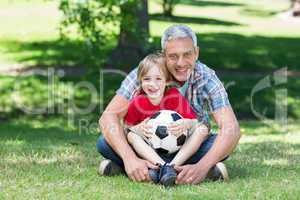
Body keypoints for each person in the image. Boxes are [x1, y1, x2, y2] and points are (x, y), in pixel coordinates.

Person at [97, 24, 240, 185]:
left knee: (217, 143)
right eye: (173, 56)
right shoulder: (147, 74)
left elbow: (231, 128)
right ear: (164, 55)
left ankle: (145, 171)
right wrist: (129, 157)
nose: (181, 63)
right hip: (146, 149)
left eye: (187, 54)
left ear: (196, 53)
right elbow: (108, 117)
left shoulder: (206, 78)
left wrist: (202, 165)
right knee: (104, 142)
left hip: (189, 149)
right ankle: (152, 168)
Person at [123, 53, 210, 186]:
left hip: (180, 152)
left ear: (167, 80)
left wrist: (186, 123)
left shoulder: (174, 97)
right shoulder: (137, 102)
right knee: (123, 138)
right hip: (149, 153)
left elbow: (195, 123)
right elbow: (126, 128)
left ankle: (167, 168)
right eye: (147, 79)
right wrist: (138, 128)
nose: (152, 84)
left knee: (204, 130)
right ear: (140, 80)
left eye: (158, 79)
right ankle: (164, 167)